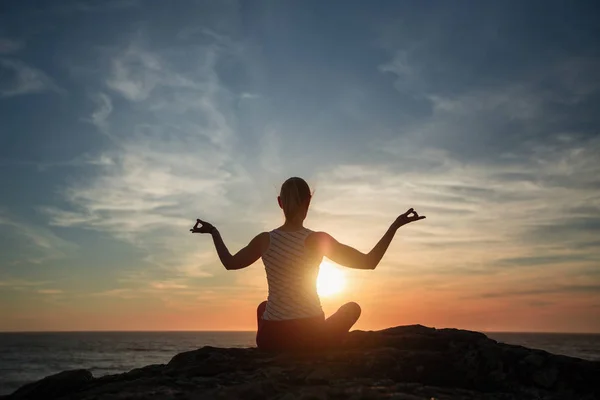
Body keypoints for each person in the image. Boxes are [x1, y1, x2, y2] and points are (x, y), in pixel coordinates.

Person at [190, 177, 425, 351]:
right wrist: (395, 225)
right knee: (352, 308)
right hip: (310, 337)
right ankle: (321, 345)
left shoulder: (264, 240)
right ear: (308, 201)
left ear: (280, 203)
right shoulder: (316, 240)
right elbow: (369, 262)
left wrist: (214, 232)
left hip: (271, 340)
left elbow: (230, 263)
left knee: (264, 307)